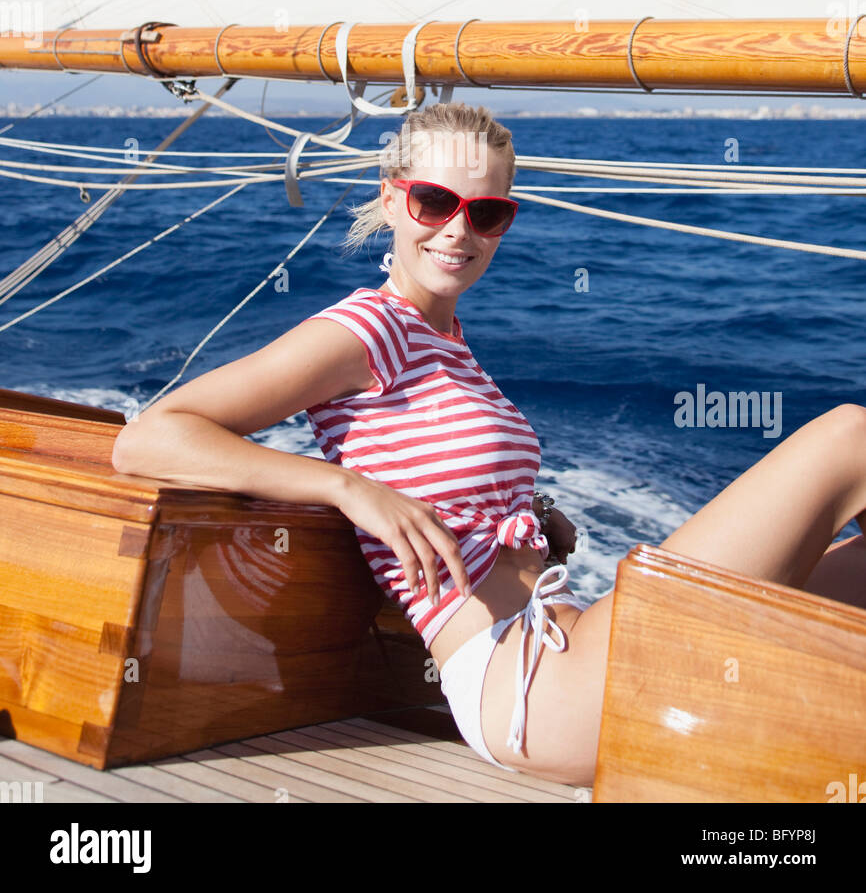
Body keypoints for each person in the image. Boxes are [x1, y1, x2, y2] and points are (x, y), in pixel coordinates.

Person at [112, 101, 866, 788]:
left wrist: (529, 516)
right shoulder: (367, 329)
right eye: (434, 202)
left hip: (566, 640)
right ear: (391, 199)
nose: (457, 230)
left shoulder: (449, 344)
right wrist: (347, 488)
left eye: (486, 212)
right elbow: (150, 438)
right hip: (528, 688)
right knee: (848, 437)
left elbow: (427, 461)